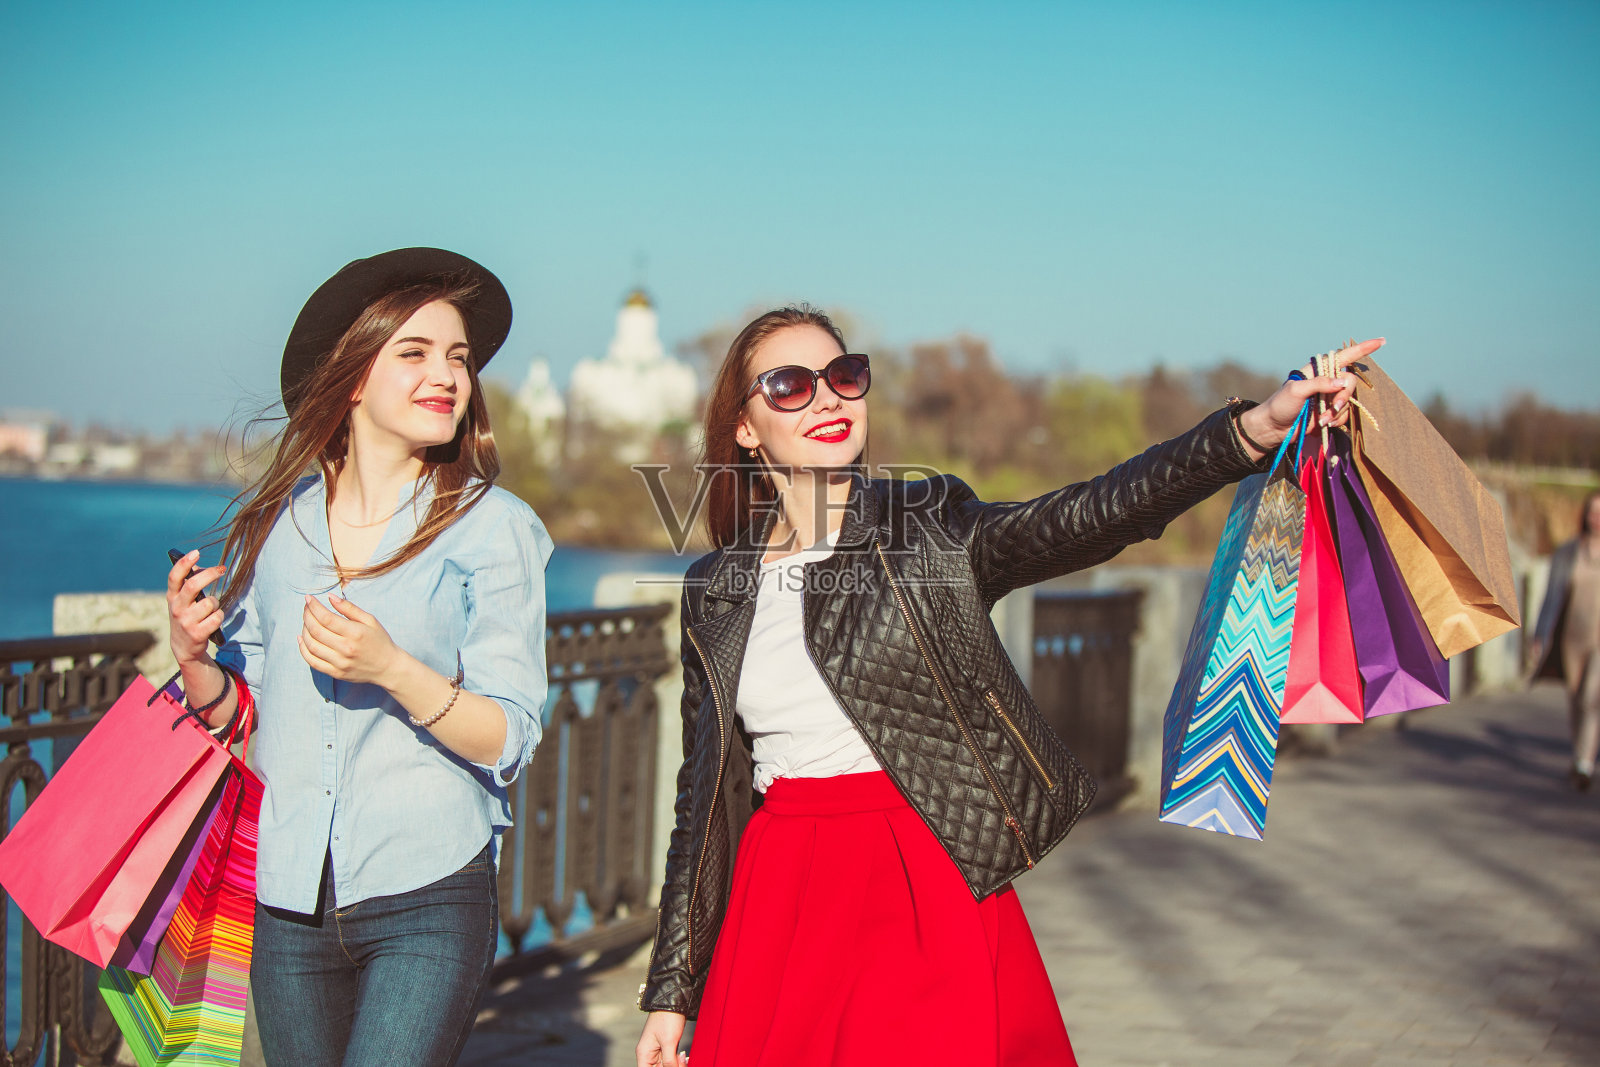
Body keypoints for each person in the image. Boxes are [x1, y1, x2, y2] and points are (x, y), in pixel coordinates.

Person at [635, 305, 1377, 1067]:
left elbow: (1092, 513)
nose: (828, 397)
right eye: (791, 385)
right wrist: (671, 990)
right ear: (745, 427)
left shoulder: (928, 527)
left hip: (920, 875)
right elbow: (703, 802)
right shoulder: (716, 591)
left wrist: (1251, 430)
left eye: (844, 375)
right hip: (779, 893)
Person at [164, 248, 552, 1066]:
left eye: (458, 358)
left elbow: (510, 736)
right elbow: (247, 715)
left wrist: (392, 668)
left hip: (429, 892)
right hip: (288, 898)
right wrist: (196, 658)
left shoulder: (494, 526)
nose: (447, 375)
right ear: (352, 378)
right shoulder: (281, 526)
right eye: (415, 353)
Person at [1530, 490, 1600, 791]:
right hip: (1571, 638)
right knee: (1575, 698)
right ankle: (1579, 753)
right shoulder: (1568, 552)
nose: (1596, 518)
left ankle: (1585, 763)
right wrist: (1540, 634)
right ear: (1585, 515)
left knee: (1591, 697)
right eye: (1593, 511)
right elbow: (1551, 596)